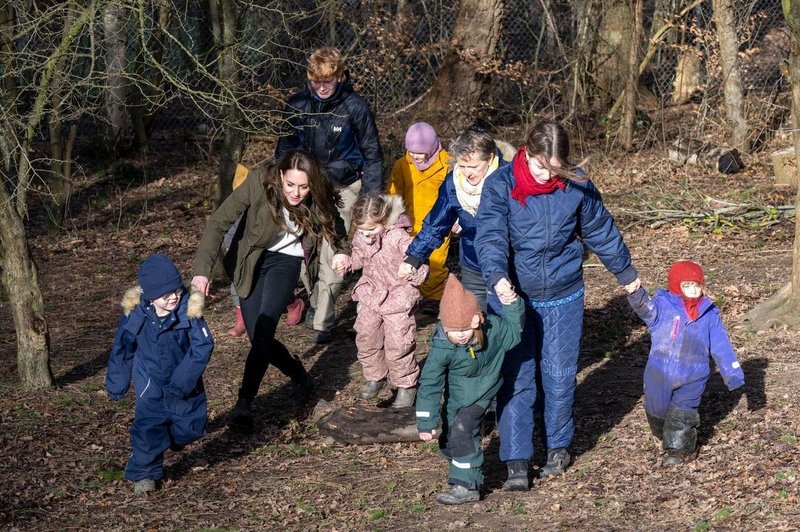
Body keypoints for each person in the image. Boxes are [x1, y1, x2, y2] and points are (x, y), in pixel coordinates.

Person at [475, 121, 640, 490]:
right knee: (517, 377)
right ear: (527, 152)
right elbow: (490, 237)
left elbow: (601, 231)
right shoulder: (501, 185)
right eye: (540, 166)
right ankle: (516, 459)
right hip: (512, 298)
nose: (546, 174)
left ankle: (558, 448)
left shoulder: (576, 184)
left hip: (564, 295)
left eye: (554, 168)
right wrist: (498, 278)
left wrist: (627, 275)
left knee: (560, 374)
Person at [191, 150, 350, 432]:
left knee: (264, 330)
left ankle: (244, 403)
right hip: (249, 258)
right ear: (280, 177)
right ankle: (297, 371)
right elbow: (218, 222)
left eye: (304, 186)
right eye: (291, 185)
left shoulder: (318, 190)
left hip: (285, 261)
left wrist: (341, 251)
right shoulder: (257, 182)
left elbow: (334, 224)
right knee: (258, 338)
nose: (297, 193)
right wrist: (202, 270)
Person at [275, 46, 384, 344]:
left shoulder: (355, 107)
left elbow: (372, 155)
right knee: (302, 245)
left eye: (328, 81)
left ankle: (322, 319)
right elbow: (283, 149)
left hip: (344, 186)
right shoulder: (297, 105)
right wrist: (281, 185)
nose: (322, 87)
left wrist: (372, 200)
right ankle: (313, 299)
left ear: (339, 76)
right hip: (304, 186)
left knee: (334, 249)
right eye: (316, 82)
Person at [106, 253, 214, 494]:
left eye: (176, 291)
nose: (174, 297)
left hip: (184, 380)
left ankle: (171, 437)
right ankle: (145, 473)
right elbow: (123, 348)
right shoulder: (136, 315)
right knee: (148, 427)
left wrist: (182, 382)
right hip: (150, 381)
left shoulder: (189, 310)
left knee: (191, 425)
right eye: (166, 295)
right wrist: (117, 383)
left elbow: (203, 346)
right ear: (151, 296)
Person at [416, 274, 524, 505]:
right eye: (454, 331)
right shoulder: (442, 347)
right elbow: (430, 383)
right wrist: (425, 421)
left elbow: (515, 333)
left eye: (465, 328)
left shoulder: (493, 330)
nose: (461, 335)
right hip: (458, 395)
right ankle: (456, 454)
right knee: (450, 438)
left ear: (477, 320)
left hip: (483, 391)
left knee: (463, 431)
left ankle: (467, 486)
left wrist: (513, 304)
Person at [626, 260, 744, 466]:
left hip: (694, 374)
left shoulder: (709, 313)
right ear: (676, 286)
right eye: (687, 285)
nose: (693, 290)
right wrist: (636, 293)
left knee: (682, 413)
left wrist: (733, 373)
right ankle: (662, 433)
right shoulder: (662, 307)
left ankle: (679, 451)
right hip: (659, 372)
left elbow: (721, 344)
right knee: (657, 409)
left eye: (696, 285)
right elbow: (645, 309)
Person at [398, 126, 506, 312]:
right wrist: (414, 257)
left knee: (509, 325)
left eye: (473, 167)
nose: (467, 173)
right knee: (477, 320)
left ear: (490, 158)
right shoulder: (453, 182)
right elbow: (437, 223)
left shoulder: (508, 179)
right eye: (462, 166)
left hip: (506, 264)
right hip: (473, 262)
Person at [347, 194, 429, 408]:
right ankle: (375, 375)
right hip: (371, 294)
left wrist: (412, 270)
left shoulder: (399, 237)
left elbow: (420, 261)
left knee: (398, 342)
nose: (366, 236)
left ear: (384, 221)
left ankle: (406, 384)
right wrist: (348, 262)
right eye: (361, 231)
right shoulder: (361, 235)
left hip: (398, 297)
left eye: (371, 231)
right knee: (366, 335)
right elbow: (359, 255)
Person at [224, 163, 305, 336]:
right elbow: (229, 234)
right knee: (239, 287)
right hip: (245, 256)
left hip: (277, 258)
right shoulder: (238, 212)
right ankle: (242, 319)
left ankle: (292, 303)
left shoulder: (268, 204)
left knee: (274, 294)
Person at [388, 122, 450, 314]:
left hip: (439, 221)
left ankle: (433, 296)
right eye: (411, 151)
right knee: (409, 257)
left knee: (437, 260)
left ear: (431, 148)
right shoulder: (402, 164)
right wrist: (392, 216)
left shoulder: (447, 164)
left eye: (420, 152)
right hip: (410, 221)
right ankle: (410, 293)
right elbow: (394, 192)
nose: (415, 156)